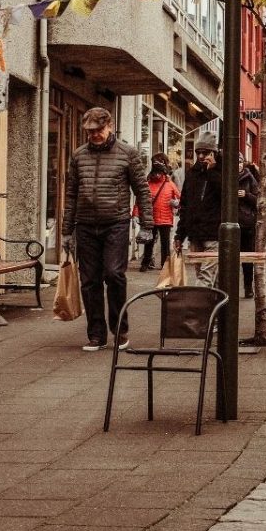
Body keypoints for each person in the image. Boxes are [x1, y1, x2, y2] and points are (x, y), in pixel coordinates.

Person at [62, 107, 153, 352]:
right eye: (90, 132)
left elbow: (142, 191)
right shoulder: (78, 156)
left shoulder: (127, 154)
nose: (94, 135)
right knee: (89, 281)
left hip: (116, 223)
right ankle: (96, 335)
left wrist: (147, 225)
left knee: (114, 275)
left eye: (98, 130)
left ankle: (120, 330)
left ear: (109, 125)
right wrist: (66, 231)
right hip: (86, 225)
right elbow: (71, 194)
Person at [175, 135, 223, 285]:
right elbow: (185, 206)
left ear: (214, 153)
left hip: (213, 234)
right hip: (195, 234)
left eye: (206, 152)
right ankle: (213, 306)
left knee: (205, 277)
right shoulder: (192, 174)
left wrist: (212, 171)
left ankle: (198, 308)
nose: (201, 156)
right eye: (198, 153)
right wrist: (179, 235)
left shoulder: (222, 172)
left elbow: (226, 195)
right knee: (204, 276)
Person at [135, 163, 180, 272]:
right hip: (152, 218)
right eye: (155, 173)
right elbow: (140, 200)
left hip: (165, 218)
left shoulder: (169, 184)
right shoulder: (149, 184)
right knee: (149, 242)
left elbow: (180, 198)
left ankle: (165, 264)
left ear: (163, 173)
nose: (157, 175)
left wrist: (176, 203)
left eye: (159, 173)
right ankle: (146, 263)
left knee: (164, 243)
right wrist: (136, 214)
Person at [239, 156, 261, 298]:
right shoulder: (225, 177)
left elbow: (258, 200)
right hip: (230, 223)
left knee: (247, 258)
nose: (238, 165)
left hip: (246, 223)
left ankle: (248, 286)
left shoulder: (249, 178)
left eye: (240, 161)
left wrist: (246, 195)